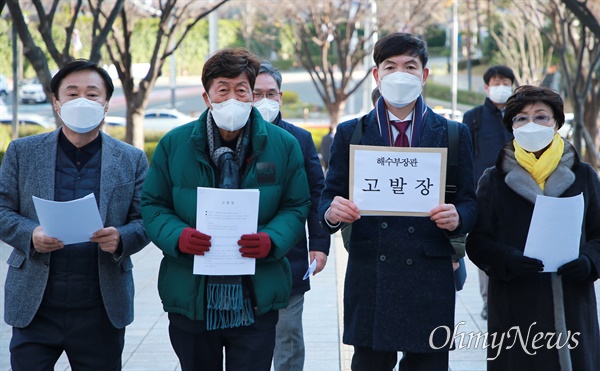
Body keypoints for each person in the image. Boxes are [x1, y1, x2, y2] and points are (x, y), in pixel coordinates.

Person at [140, 48, 310, 371]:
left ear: (251, 95)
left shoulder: (283, 145)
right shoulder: (174, 144)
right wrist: (179, 236)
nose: (232, 97)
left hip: (256, 298)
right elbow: (152, 204)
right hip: (192, 298)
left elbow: (296, 204)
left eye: (241, 89)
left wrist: (271, 240)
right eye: (223, 89)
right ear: (207, 97)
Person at [318, 32, 477, 370]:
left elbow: (470, 202)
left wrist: (458, 216)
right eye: (390, 67)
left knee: (428, 364)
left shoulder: (452, 133)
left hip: (429, 274)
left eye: (410, 66)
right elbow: (327, 197)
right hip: (372, 271)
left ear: (424, 75)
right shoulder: (352, 133)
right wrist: (333, 212)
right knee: (369, 363)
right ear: (376, 75)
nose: (400, 74)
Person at [0, 59, 150, 370]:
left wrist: (121, 238)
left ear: (106, 103)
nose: (82, 100)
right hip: (36, 305)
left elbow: (147, 219)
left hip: (100, 307)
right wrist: (31, 235)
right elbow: (2, 210)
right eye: (72, 93)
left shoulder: (131, 159)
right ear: (56, 102)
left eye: (92, 94)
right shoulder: (22, 152)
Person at [466, 85, 600, 370]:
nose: (531, 124)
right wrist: (505, 259)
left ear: (557, 124)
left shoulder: (584, 175)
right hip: (515, 305)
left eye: (541, 117)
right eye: (521, 118)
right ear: (511, 126)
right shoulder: (493, 179)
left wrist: (589, 261)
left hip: (572, 304)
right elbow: (477, 242)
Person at [253, 61, 331, 370]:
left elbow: (317, 193)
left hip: (289, 257)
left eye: (271, 94)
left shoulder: (299, 139)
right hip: (236, 256)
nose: (264, 101)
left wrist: (320, 245)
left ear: (281, 97)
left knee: (286, 337)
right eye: (256, 93)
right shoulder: (228, 138)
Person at [462, 65, 515, 320]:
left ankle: (516, 296)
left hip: (518, 192)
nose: (501, 86)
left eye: (506, 82)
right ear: (486, 87)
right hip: (483, 194)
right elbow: (465, 159)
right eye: (496, 82)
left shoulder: (520, 116)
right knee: (485, 246)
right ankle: (488, 300)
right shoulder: (473, 118)